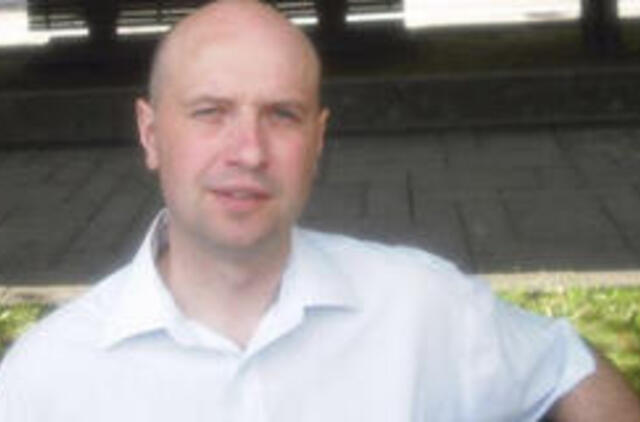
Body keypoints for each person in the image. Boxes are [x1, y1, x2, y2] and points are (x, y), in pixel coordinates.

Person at [1, 1, 639, 420]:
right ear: (150, 134)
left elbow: (565, 368)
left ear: (318, 139)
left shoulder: (420, 306)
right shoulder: (44, 381)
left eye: (282, 115)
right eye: (210, 112)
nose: (249, 151)